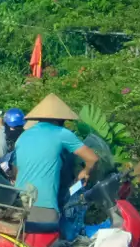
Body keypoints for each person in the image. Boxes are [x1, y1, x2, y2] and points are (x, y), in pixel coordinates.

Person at [7, 94, 98, 227]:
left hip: (19, 201)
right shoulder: (61, 133)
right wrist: (86, 172)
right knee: (47, 246)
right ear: (60, 120)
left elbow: (16, 171)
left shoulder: (24, 135)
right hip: (44, 206)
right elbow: (92, 159)